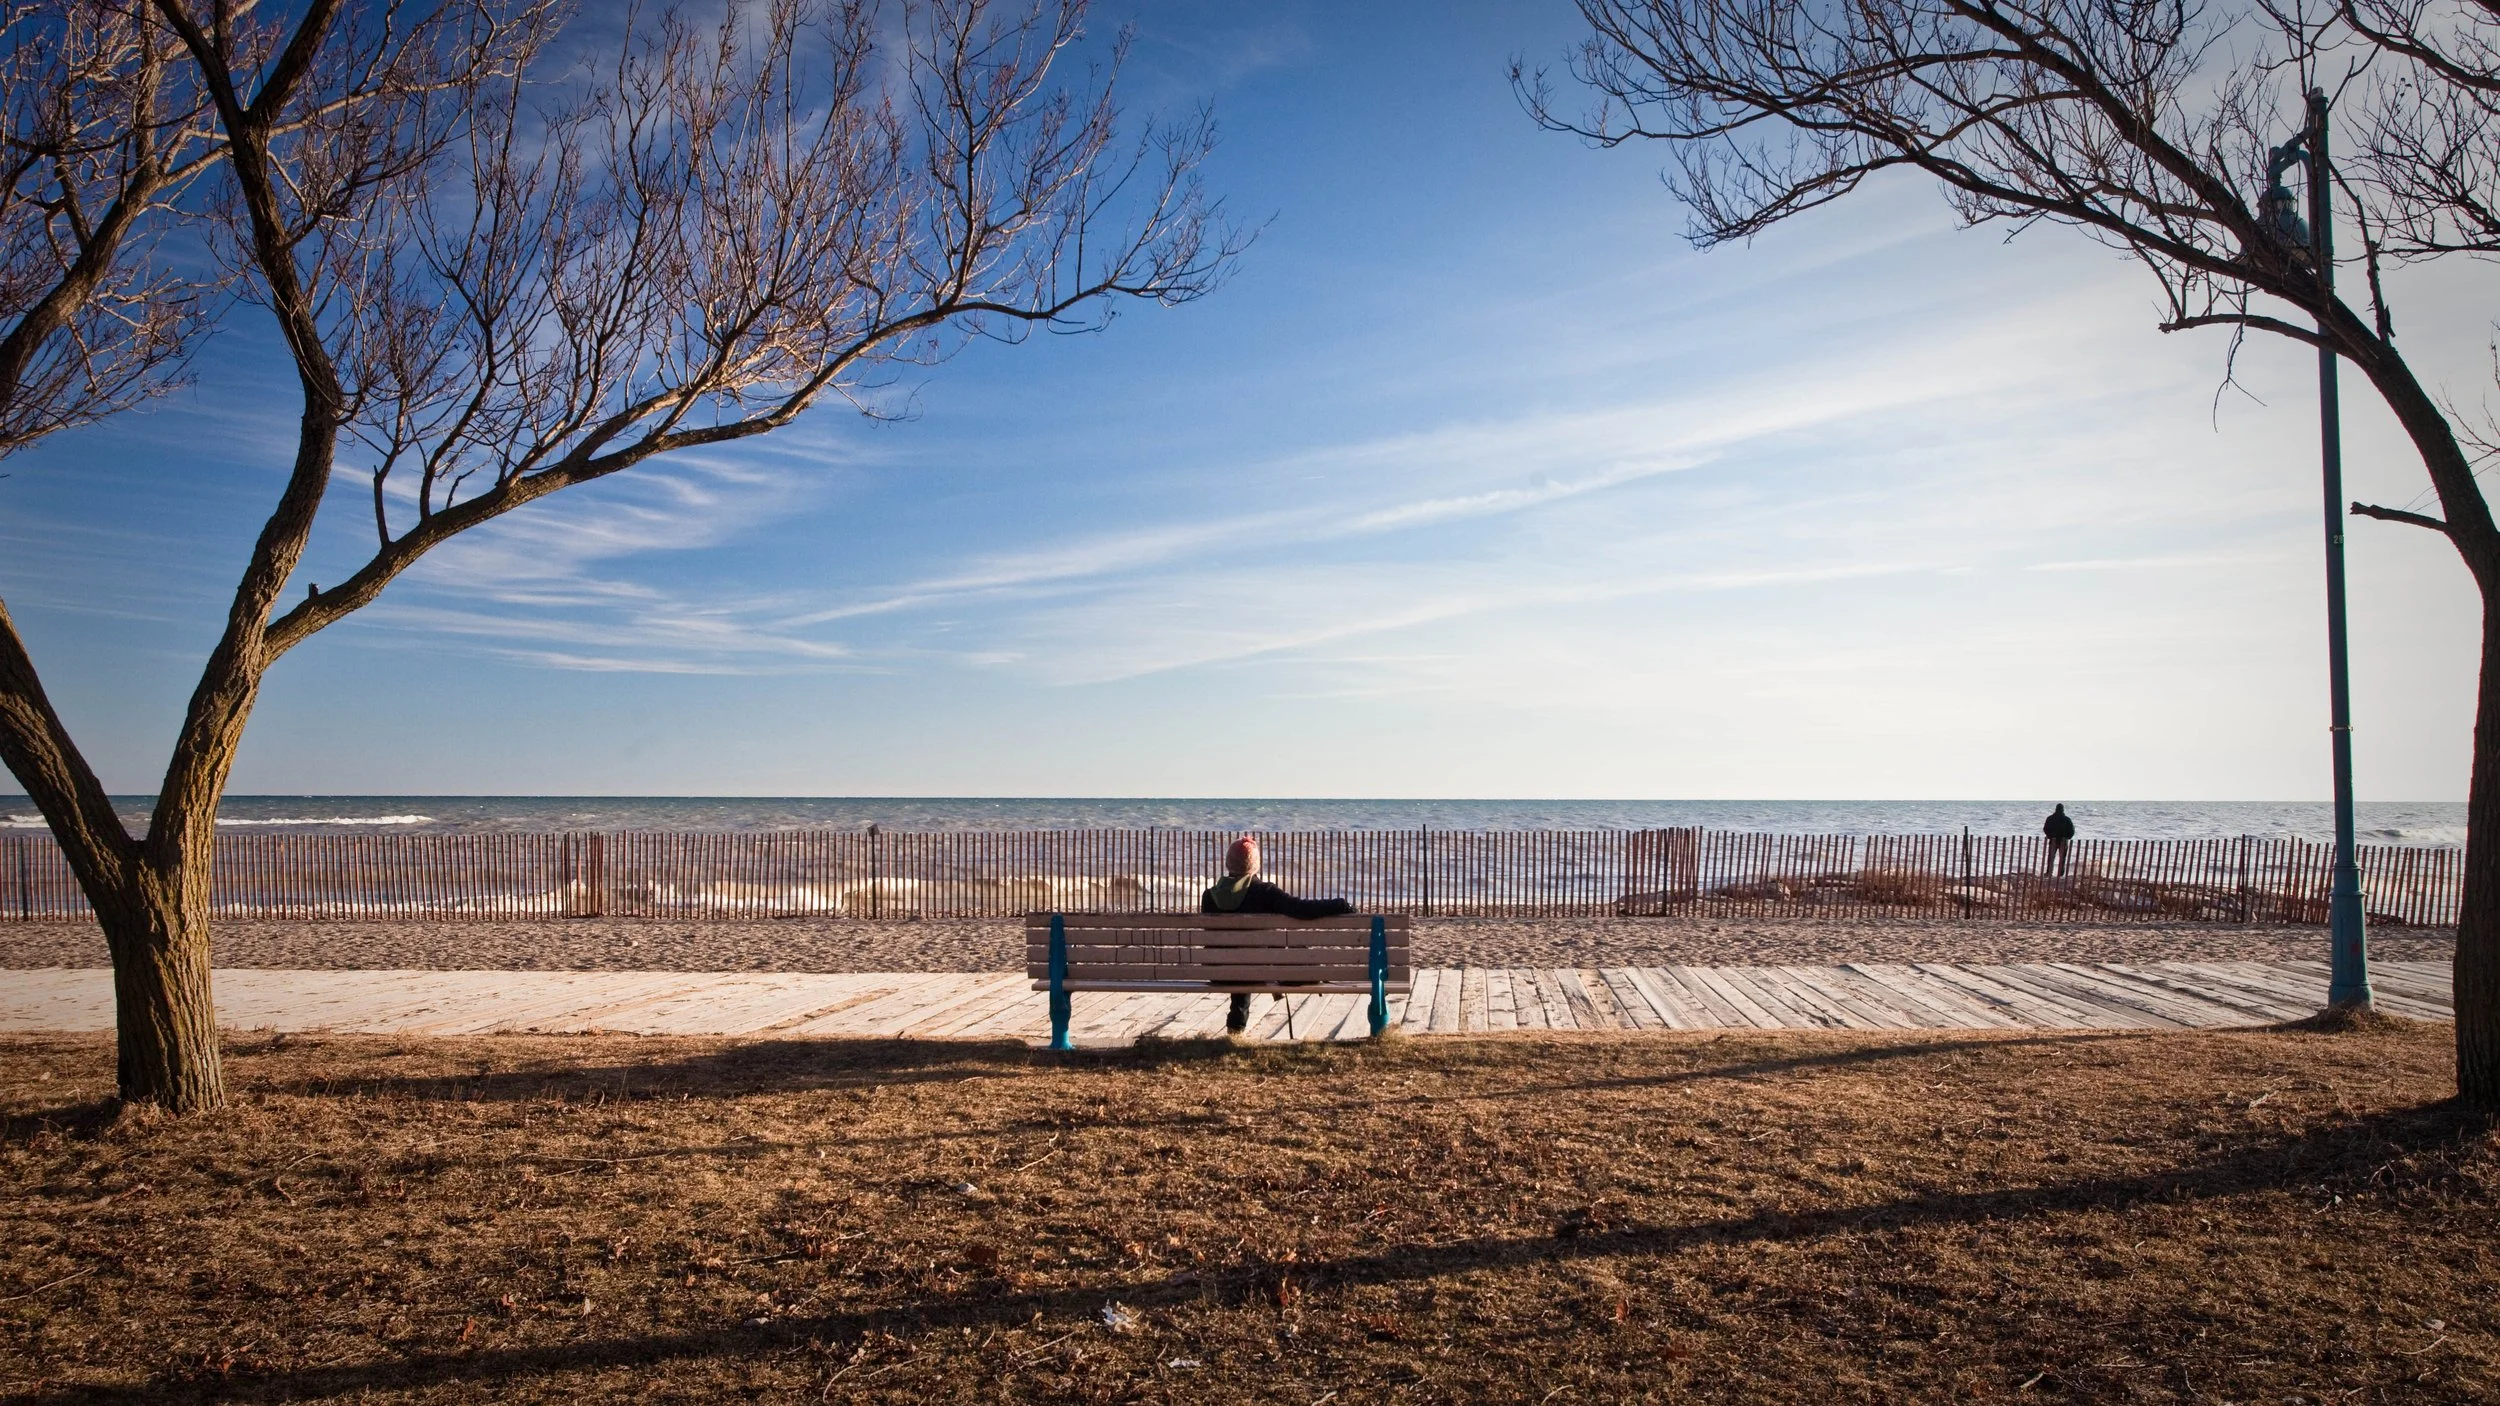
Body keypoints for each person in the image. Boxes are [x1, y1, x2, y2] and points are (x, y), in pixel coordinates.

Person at [1201, 835, 1355, 1034]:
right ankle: (1236, 1024)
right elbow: (1301, 909)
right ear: (1255, 866)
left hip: (1218, 973)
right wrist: (1340, 904)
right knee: (1252, 959)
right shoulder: (1266, 892)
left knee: (1239, 958)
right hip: (1259, 970)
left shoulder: (1209, 896)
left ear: (1227, 863)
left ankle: (1236, 1025)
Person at [2043, 804, 2076, 876]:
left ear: (2056, 809)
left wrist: (2050, 836)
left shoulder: (2050, 818)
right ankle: (2060, 874)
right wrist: (2067, 837)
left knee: (2051, 857)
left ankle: (2049, 872)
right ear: (2063, 810)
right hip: (2063, 841)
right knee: (2062, 858)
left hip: (2053, 840)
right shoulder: (2067, 819)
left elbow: (2045, 829)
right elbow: (2072, 831)